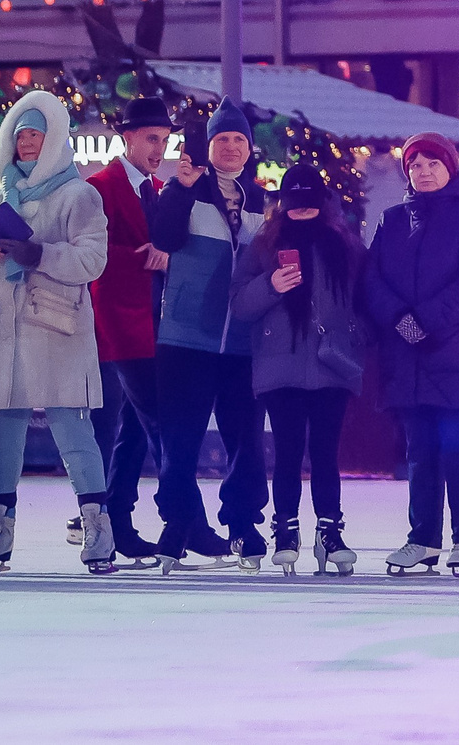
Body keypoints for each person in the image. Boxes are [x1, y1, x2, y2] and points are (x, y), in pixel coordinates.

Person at [0, 91, 115, 574]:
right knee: (1, 437)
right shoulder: (4, 193)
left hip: (56, 326)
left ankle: (98, 528)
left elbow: (93, 259)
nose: (26, 143)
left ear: (53, 140)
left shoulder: (79, 194)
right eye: (20, 135)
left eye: (35, 135)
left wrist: (40, 254)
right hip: (6, 328)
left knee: (73, 430)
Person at [362, 130, 459, 575]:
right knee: (420, 452)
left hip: (457, 354)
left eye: (432, 164)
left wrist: (423, 320)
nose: (423, 172)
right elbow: (372, 280)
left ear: (449, 167)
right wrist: (403, 322)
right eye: (415, 166)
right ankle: (423, 539)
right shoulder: (391, 221)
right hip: (407, 357)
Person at [146, 98, 269, 571]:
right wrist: (180, 188)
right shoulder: (185, 189)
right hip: (185, 339)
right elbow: (164, 238)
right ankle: (178, 522)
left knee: (245, 440)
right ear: (209, 146)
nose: (231, 147)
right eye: (222, 139)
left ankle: (242, 523)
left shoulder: (261, 200)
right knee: (180, 441)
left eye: (239, 139)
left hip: (242, 342)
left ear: (250, 148)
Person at [231, 160, 367, 574]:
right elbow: (239, 304)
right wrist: (270, 285)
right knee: (287, 452)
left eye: (309, 204)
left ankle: (330, 530)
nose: (302, 211)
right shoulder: (263, 244)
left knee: (326, 453)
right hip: (280, 366)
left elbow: (365, 298)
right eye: (295, 204)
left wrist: (354, 337)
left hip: (331, 364)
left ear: (323, 203)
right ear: (282, 204)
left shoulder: (344, 245)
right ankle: (286, 529)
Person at [83, 94, 170, 560]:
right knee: (156, 422)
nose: (160, 148)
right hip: (119, 322)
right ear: (128, 138)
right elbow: (89, 254)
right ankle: (184, 517)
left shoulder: (156, 188)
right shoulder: (99, 187)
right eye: (152, 138)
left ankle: (117, 519)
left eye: (165, 139)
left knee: (135, 427)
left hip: (152, 323)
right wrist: (146, 257)